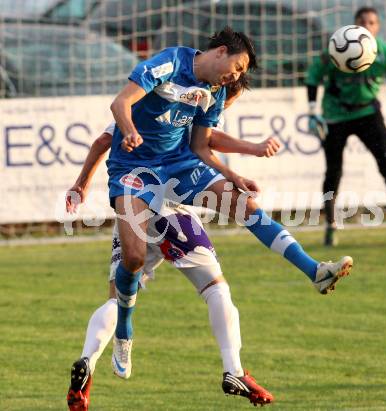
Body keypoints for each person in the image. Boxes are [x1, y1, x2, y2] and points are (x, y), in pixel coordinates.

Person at [107, 26, 353, 384]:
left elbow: (201, 146)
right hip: (134, 170)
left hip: (179, 165)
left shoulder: (214, 91)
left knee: (246, 206)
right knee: (131, 259)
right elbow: (120, 103)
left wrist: (232, 175)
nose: (236, 76)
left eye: (241, 74)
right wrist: (129, 130)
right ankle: (124, 331)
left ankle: (315, 270)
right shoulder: (170, 62)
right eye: (237, 67)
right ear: (220, 51)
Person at [66, 79, 279, 410]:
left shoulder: (146, 105)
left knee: (117, 297)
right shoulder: (192, 109)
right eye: (230, 99)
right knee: (216, 289)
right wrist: (250, 149)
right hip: (170, 211)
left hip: (132, 206)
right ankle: (233, 369)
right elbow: (208, 142)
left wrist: (81, 184)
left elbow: (101, 141)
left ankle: (87, 362)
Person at [306, 6, 386, 246]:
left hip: (368, 114)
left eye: (372, 22)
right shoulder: (337, 47)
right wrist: (313, 113)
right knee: (333, 172)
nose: (367, 25)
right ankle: (330, 228)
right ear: (353, 24)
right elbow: (312, 77)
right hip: (335, 115)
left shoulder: (385, 53)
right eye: (362, 21)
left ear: (378, 27)